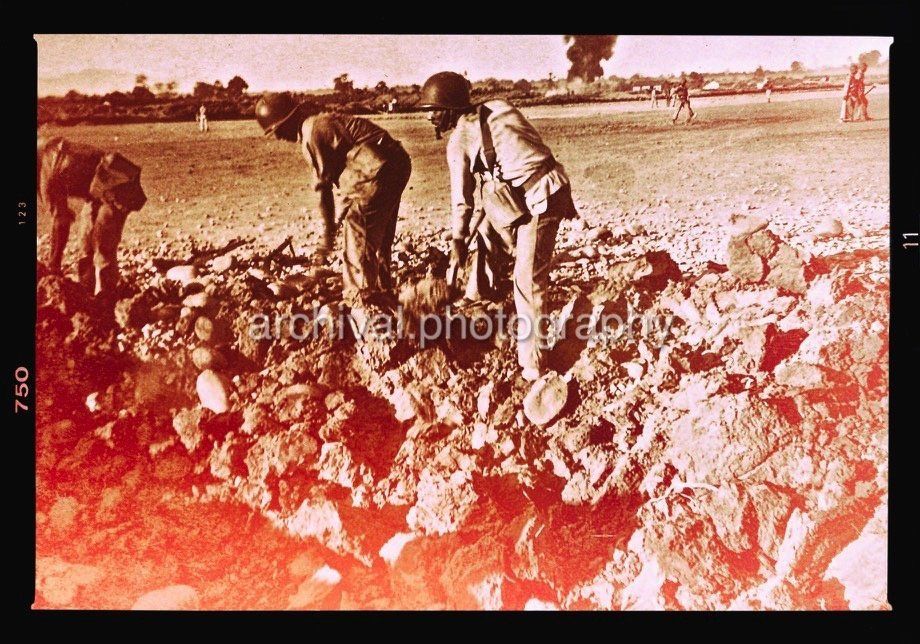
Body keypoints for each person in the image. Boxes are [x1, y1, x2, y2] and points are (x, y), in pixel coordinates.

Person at [419, 71, 579, 381]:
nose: (430, 117)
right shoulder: (498, 106)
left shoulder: (458, 141)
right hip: (552, 182)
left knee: (527, 280)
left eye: (434, 110)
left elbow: (462, 200)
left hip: (541, 198)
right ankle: (478, 294)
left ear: (450, 108)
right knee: (487, 224)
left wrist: (456, 242)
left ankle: (533, 362)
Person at [254, 92, 411, 308]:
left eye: (278, 129)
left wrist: (327, 237)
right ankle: (385, 293)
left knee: (359, 233)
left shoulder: (312, 132)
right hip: (393, 165)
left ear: (289, 120)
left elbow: (323, 190)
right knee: (379, 238)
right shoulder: (321, 123)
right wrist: (336, 222)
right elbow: (353, 175)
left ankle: (364, 304)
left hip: (379, 172)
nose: (278, 136)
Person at [37, 136, 147, 306]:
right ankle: (87, 295)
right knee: (85, 241)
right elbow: (62, 216)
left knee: (102, 243)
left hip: (117, 184)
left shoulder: (47, 167)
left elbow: (60, 221)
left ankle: (107, 300)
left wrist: (54, 265)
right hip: (97, 192)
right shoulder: (46, 153)